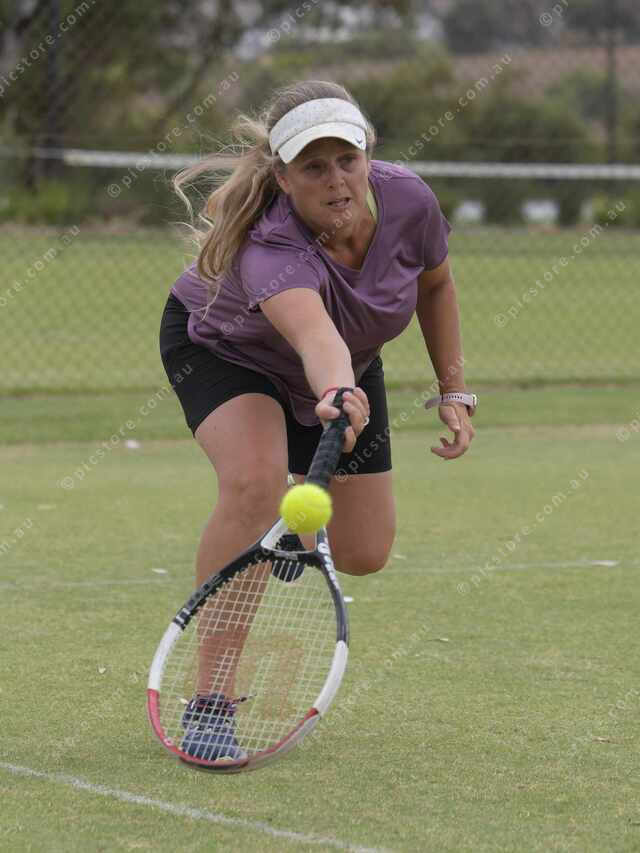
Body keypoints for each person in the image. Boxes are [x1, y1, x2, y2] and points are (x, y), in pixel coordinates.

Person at [159, 80, 476, 761]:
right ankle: (211, 700)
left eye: (346, 160)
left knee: (364, 552)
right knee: (255, 483)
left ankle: (292, 522)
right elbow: (315, 337)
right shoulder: (272, 247)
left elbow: (436, 284)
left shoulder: (409, 200)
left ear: (369, 156)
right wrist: (337, 391)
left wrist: (454, 389)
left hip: (347, 361)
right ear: (282, 176)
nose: (335, 180)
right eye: (313, 166)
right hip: (227, 351)